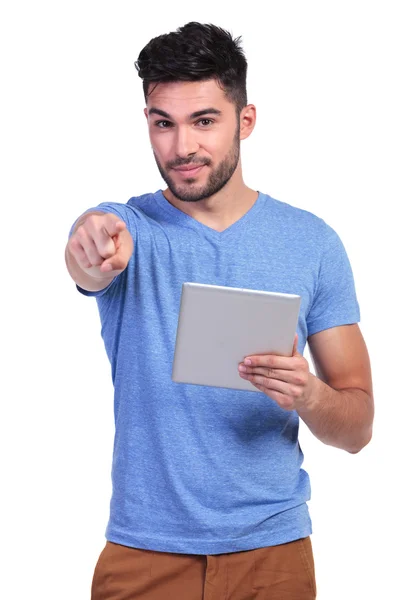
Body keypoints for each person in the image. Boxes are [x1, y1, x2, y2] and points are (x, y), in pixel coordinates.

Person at [65, 22, 374, 600]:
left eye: (203, 121)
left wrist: (307, 393)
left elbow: (357, 428)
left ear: (245, 120)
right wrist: (90, 248)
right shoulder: (127, 227)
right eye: (164, 123)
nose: (181, 147)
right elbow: (86, 255)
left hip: (273, 552)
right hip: (144, 553)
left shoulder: (312, 243)